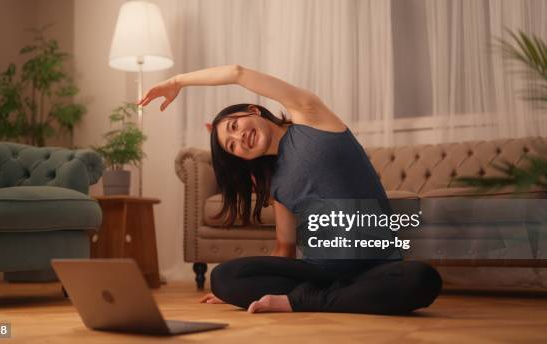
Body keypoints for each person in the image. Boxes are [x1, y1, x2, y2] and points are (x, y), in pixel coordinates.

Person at [137, 64, 442, 314]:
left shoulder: (309, 115)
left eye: (234, 127)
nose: (240, 139)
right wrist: (242, 290)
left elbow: (238, 73)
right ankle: (328, 298)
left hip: (376, 267)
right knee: (223, 278)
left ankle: (305, 301)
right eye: (232, 146)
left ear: (253, 111)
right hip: (320, 272)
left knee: (422, 280)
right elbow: (285, 247)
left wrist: (179, 80)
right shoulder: (276, 184)